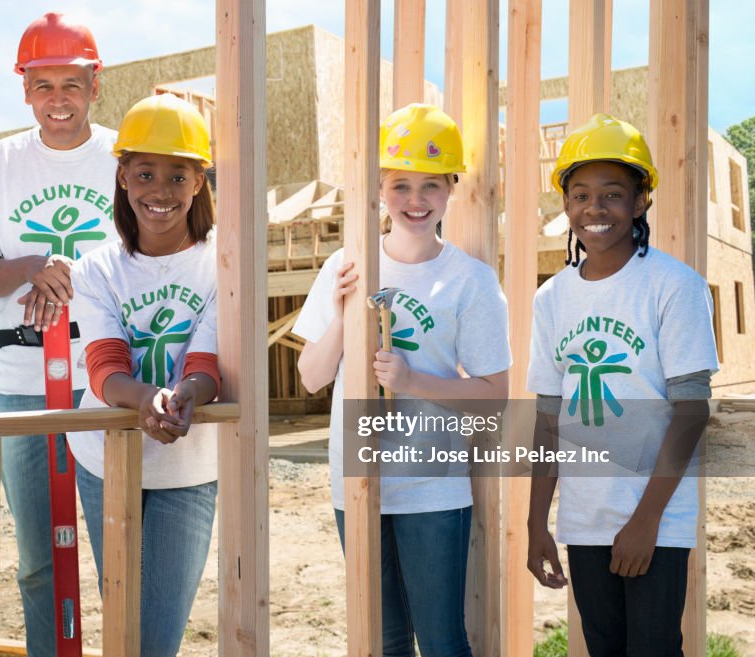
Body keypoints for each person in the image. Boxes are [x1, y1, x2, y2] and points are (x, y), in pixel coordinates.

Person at [293, 103, 511, 657]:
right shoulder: (344, 265)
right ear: (378, 189)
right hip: (356, 482)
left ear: (451, 189)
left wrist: (413, 380)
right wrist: (346, 315)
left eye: (431, 186)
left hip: (433, 487)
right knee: (382, 641)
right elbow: (312, 378)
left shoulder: (470, 281)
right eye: (401, 184)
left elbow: (495, 395)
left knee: (441, 641)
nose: (416, 200)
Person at [0, 13, 119, 655]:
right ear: (24, 89)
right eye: (43, 85)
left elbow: (147, 255)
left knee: (117, 548)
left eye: (71, 84)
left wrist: (74, 272)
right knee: (37, 557)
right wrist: (33, 269)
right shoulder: (0, 163)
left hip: (104, 380)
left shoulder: (120, 157)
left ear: (94, 86)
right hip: (20, 381)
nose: (58, 100)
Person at [526, 114, 717, 657]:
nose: (595, 208)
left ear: (640, 203)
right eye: (580, 194)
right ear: (565, 207)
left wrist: (645, 522)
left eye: (613, 193)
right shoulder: (552, 299)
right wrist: (538, 522)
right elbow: (546, 418)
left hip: (653, 520)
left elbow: (691, 413)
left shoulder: (674, 287)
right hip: (584, 521)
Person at [70, 93, 220, 657]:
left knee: (155, 638)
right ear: (123, 177)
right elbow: (105, 367)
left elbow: (206, 362)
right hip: (104, 458)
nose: (160, 191)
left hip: (189, 464)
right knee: (127, 626)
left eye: (177, 175)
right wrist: (148, 401)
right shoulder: (97, 267)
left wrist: (184, 396)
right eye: (145, 173)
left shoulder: (221, 260)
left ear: (200, 180)